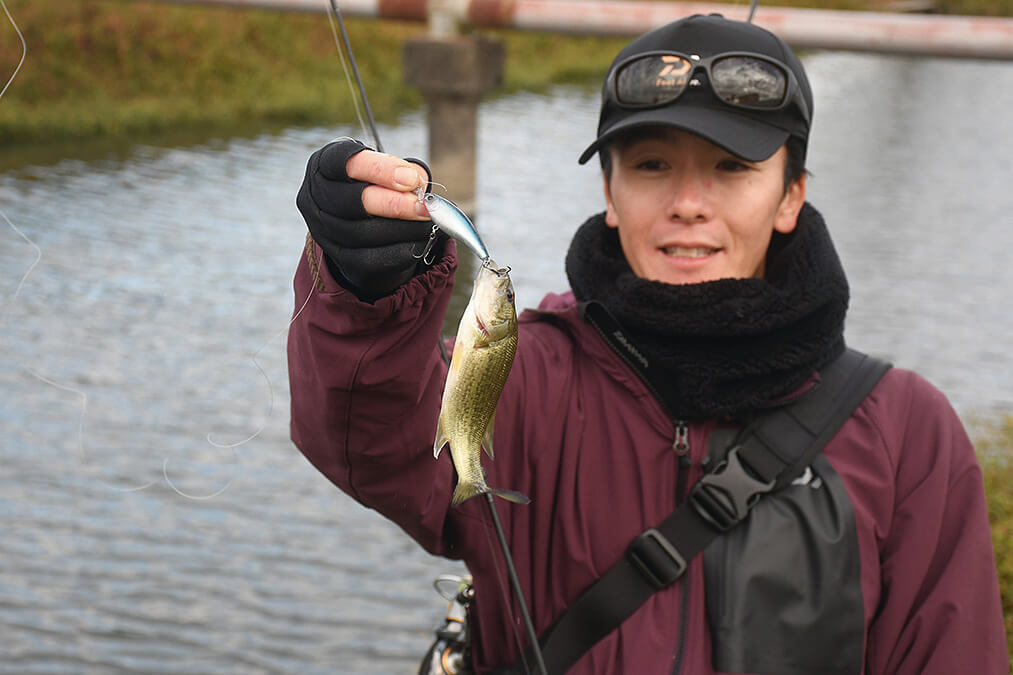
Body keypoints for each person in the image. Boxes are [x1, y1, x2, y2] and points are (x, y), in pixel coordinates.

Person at [288, 13, 1008, 675]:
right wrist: (364, 287)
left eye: (732, 167)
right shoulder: (528, 378)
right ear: (609, 190)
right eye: (651, 165)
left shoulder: (909, 436)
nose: (687, 203)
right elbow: (371, 438)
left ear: (791, 195)